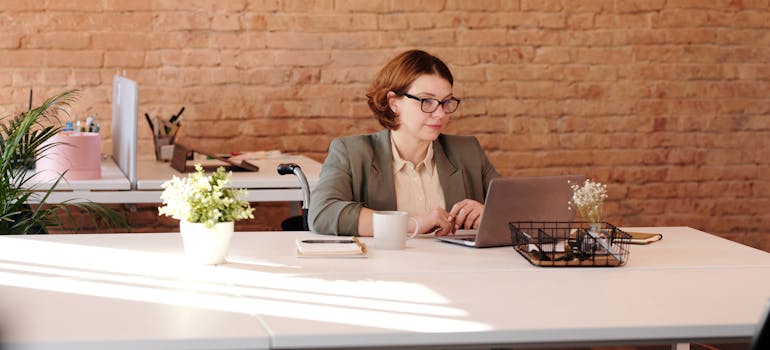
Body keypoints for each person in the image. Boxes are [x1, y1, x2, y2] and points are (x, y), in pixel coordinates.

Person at [309, 50, 500, 236]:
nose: (440, 113)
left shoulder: (467, 151)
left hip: (457, 268)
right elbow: (322, 213)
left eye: (446, 102)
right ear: (394, 103)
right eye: (427, 101)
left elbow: (517, 208)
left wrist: (489, 213)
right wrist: (412, 224)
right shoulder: (352, 153)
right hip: (382, 267)